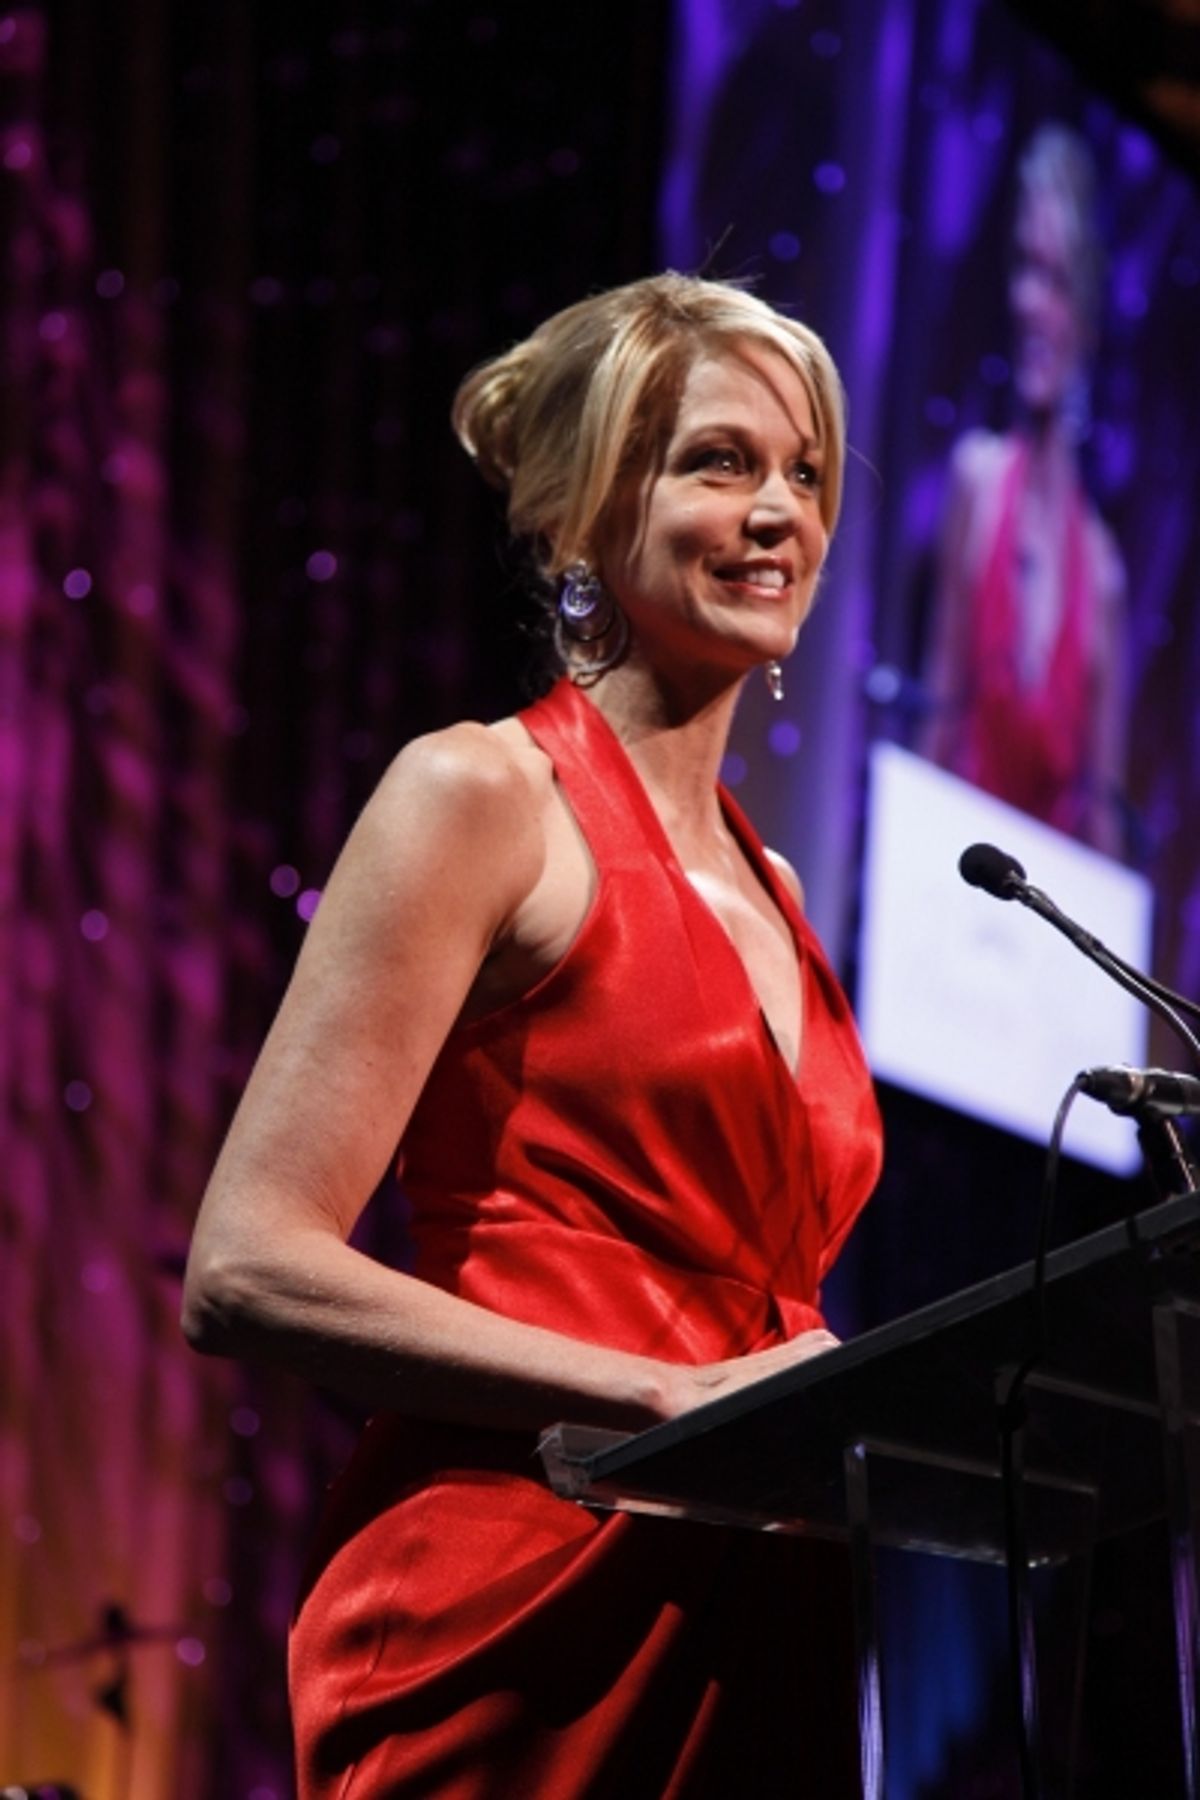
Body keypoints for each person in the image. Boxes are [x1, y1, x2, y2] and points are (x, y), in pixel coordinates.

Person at [183, 273, 883, 1798]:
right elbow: (244, 1266)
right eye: (720, 462)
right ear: (586, 511)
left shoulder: (781, 891)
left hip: (755, 1616)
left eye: (806, 475)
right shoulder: (481, 799)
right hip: (515, 1610)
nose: (779, 513)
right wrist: (662, 1399)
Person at [921, 125, 1127, 854]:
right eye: (1023, 270)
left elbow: (1100, 814)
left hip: (1041, 921)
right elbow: (938, 722)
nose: (1029, 301)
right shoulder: (976, 483)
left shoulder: (1102, 572)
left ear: (1087, 311)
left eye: (1056, 279)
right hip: (956, 883)